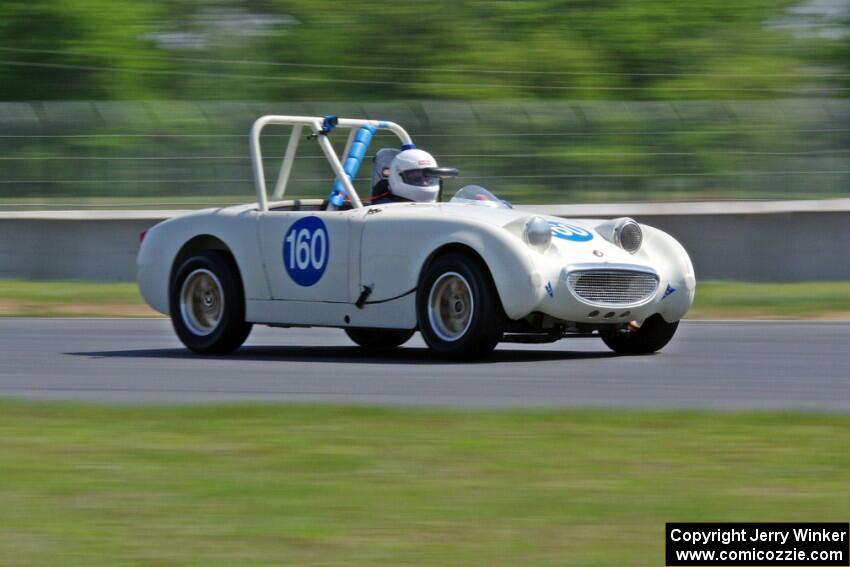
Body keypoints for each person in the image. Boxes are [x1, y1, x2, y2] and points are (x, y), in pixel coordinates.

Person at [370, 148, 442, 205]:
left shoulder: (440, 209)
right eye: (417, 179)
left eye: (428, 178)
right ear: (397, 178)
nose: (425, 183)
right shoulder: (385, 210)